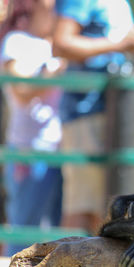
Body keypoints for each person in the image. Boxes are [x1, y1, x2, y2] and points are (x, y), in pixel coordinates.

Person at [53, 0, 134, 234]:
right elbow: (61, 44)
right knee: (83, 208)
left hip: (117, 114)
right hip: (86, 112)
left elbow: (115, 47)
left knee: (108, 210)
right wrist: (121, 44)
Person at [0, 0, 64, 256]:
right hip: (29, 149)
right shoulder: (16, 41)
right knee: (25, 234)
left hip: (61, 149)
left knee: (55, 234)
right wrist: (54, 71)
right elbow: (22, 89)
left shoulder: (56, 43)